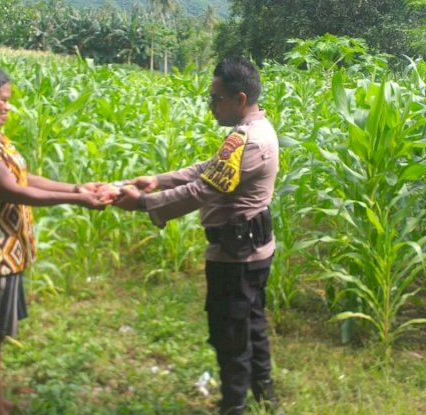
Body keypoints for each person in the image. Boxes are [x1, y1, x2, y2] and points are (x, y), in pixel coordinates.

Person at [115, 57, 280, 415]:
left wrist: (144, 203)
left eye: (215, 98)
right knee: (251, 325)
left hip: (236, 255)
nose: (211, 105)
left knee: (231, 334)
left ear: (239, 98)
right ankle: (266, 400)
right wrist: (159, 179)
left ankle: (234, 406)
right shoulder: (252, 131)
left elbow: (201, 191)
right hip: (251, 248)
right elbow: (209, 169)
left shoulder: (248, 142)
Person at [0, 63, 110, 415]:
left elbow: (22, 176)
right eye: (2, 100)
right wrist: (78, 199)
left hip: (4, 254)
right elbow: (10, 190)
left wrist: (76, 187)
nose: (8, 106)